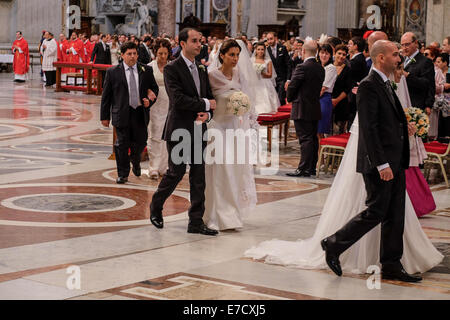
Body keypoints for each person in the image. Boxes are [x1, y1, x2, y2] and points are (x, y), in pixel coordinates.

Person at [246, 40, 443, 281]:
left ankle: (391, 263)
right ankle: (333, 244)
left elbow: (387, 117)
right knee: (377, 211)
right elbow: (369, 129)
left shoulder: (386, 82)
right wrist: (382, 164)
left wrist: (405, 124)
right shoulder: (370, 85)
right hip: (380, 161)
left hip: (395, 158)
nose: (398, 58)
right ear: (381, 58)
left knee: (395, 214)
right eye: (394, 54)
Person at [149, 28, 218, 236]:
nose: (199, 44)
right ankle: (156, 205)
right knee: (176, 172)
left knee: (199, 176)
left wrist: (209, 114)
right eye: (195, 41)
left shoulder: (202, 68)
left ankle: (195, 221)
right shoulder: (172, 68)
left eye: (201, 41)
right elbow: (178, 100)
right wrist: (206, 103)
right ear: (183, 43)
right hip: (179, 128)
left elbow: (210, 101)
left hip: (198, 128)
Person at [204, 39, 259, 231]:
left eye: (237, 55)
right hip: (217, 128)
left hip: (235, 128)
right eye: (231, 55)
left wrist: (244, 110)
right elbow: (206, 101)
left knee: (233, 171)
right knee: (219, 170)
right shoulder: (211, 75)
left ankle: (232, 216)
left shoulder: (239, 74)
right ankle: (215, 215)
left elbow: (248, 99)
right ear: (222, 55)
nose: (235, 59)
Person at [100, 41, 159, 184]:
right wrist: (104, 116)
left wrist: (149, 101)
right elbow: (106, 96)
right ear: (122, 55)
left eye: (134, 54)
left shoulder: (146, 70)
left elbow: (154, 90)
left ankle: (135, 160)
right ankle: (123, 173)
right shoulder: (113, 72)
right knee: (121, 144)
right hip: (121, 113)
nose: (132, 57)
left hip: (139, 113)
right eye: (129, 54)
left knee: (140, 142)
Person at [393, 56, 436, 218]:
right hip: (398, 126)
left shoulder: (422, 64)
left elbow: (427, 85)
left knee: (408, 168)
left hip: (407, 118)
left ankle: (415, 204)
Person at [286, 39, 325, 178]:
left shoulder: (302, 67)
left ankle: (303, 168)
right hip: (314, 107)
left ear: (303, 51)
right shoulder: (320, 68)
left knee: (305, 139)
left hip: (301, 107)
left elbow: (293, 86)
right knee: (312, 139)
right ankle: (311, 168)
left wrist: (289, 97)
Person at [147, 39, 171, 180]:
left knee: (167, 136)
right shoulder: (150, 67)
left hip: (169, 104)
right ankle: (153, 167)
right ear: (155, 52)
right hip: (155, 105)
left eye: (165, 53)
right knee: (155, 135)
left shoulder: (172, 67)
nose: (162, 56)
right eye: (160, 53)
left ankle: (165, 166)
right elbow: (145, 85)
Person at [401, 32, 436, 115]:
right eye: (402, 45)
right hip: (402, 101)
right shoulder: (401, 60)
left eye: (407, 44)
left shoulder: (425, 61)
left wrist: (428, 104)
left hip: (416, 103)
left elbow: (427, 84)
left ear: (416, 43)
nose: (404, 48)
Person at [250, 42, 280, 113]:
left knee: (267, 100)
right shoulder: (251, 60)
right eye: (259, 49)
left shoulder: (268, 61)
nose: (260, 51)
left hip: (265, 83)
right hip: (255, 83)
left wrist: (261, 73)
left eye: (262, 49)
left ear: (264, 51)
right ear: (256, 50)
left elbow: (270, 75)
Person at [424, 47, 446, 139]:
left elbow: (440, 86)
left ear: (432, 57)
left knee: (432, 125)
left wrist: (426, 83)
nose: (424, 56)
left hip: (433, 99)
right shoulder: (424, 68)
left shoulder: (437, 71)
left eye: (427, 55)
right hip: (423, 98)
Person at [347, 36, 369, 126]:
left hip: (354, 93)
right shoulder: (357, 58)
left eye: (350, 44)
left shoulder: (357, 60)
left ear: (356, 46)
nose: (348, 46)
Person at [318, 44, 338, 138]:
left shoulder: (331, 68)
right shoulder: (317, 66)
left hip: (323, 99)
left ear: (330, 55)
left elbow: (323, 88)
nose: (324, 55)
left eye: (326, 53)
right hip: (315, 98)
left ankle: (320, 152)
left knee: (320, 131)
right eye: (322, 53)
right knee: (314, 131)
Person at [332, 44, 352, 134]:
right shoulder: (329, 67)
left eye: (344, 54)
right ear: (334, 53)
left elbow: (347, 88)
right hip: (328, 101)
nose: (341, 56)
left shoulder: (348, 70)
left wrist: (336, 100)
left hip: (341, 103)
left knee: (339, 131)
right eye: (339, 53)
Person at [266, 32, 290, 105]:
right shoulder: (266, 50)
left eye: (271, 39)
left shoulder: (282, 48)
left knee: (281, 98)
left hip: (282, 78)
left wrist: (288, 79)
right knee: (273, 99)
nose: (269, 41)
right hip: (272, 79)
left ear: (275, 38)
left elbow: (288, 64)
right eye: (268, 39)